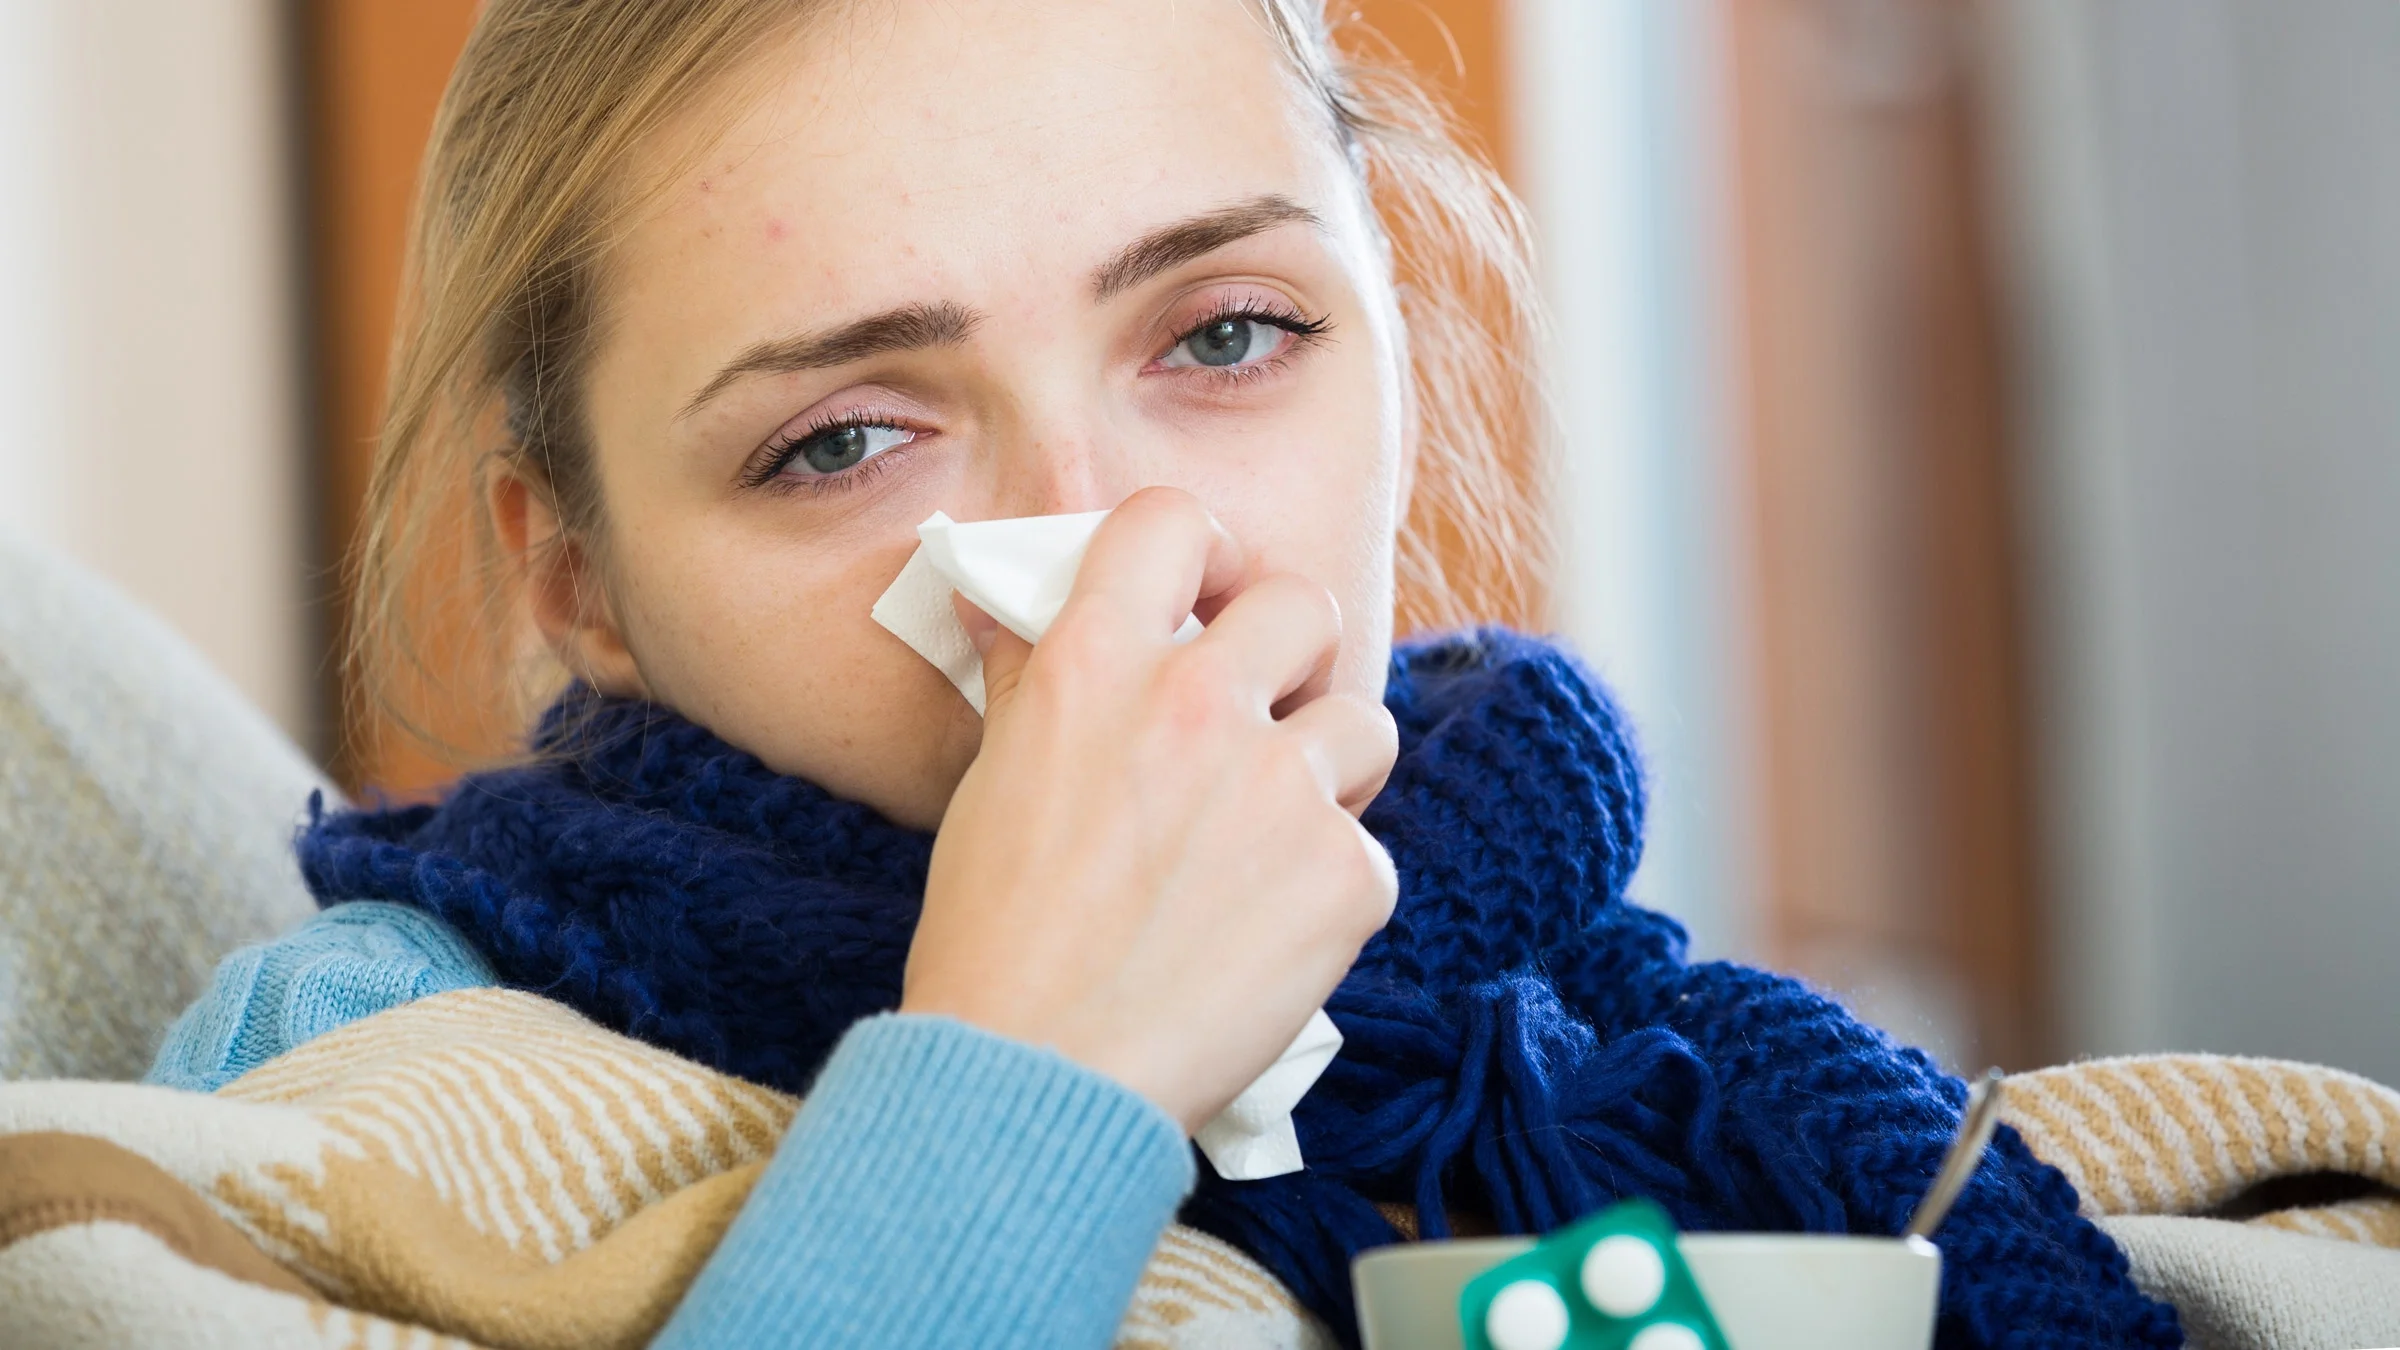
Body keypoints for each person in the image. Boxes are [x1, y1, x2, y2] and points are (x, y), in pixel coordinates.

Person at [153, 2, 2183, 1347]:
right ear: (576, 573)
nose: (1118, 554)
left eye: (1224, 338)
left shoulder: (1637, 1068)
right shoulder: (351, 1070)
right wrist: (1036, 1073)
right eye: (843, 441)